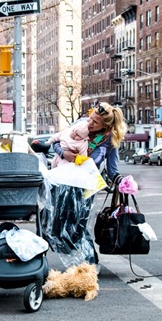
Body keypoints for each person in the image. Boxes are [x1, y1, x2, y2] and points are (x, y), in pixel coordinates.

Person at [43, 102, 126, 266]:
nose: (90, 123)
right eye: (91, 118)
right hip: (63, 183)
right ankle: (44, 263)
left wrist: (123, 182)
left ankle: (89, 265)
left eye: (95, 122)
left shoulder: (109, 141)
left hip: (85, 188)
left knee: (79, 228)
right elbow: (58, 140)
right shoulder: (80, 125)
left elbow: (112, 171)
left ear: (106, 126)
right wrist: (64, 153)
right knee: (53, 225)